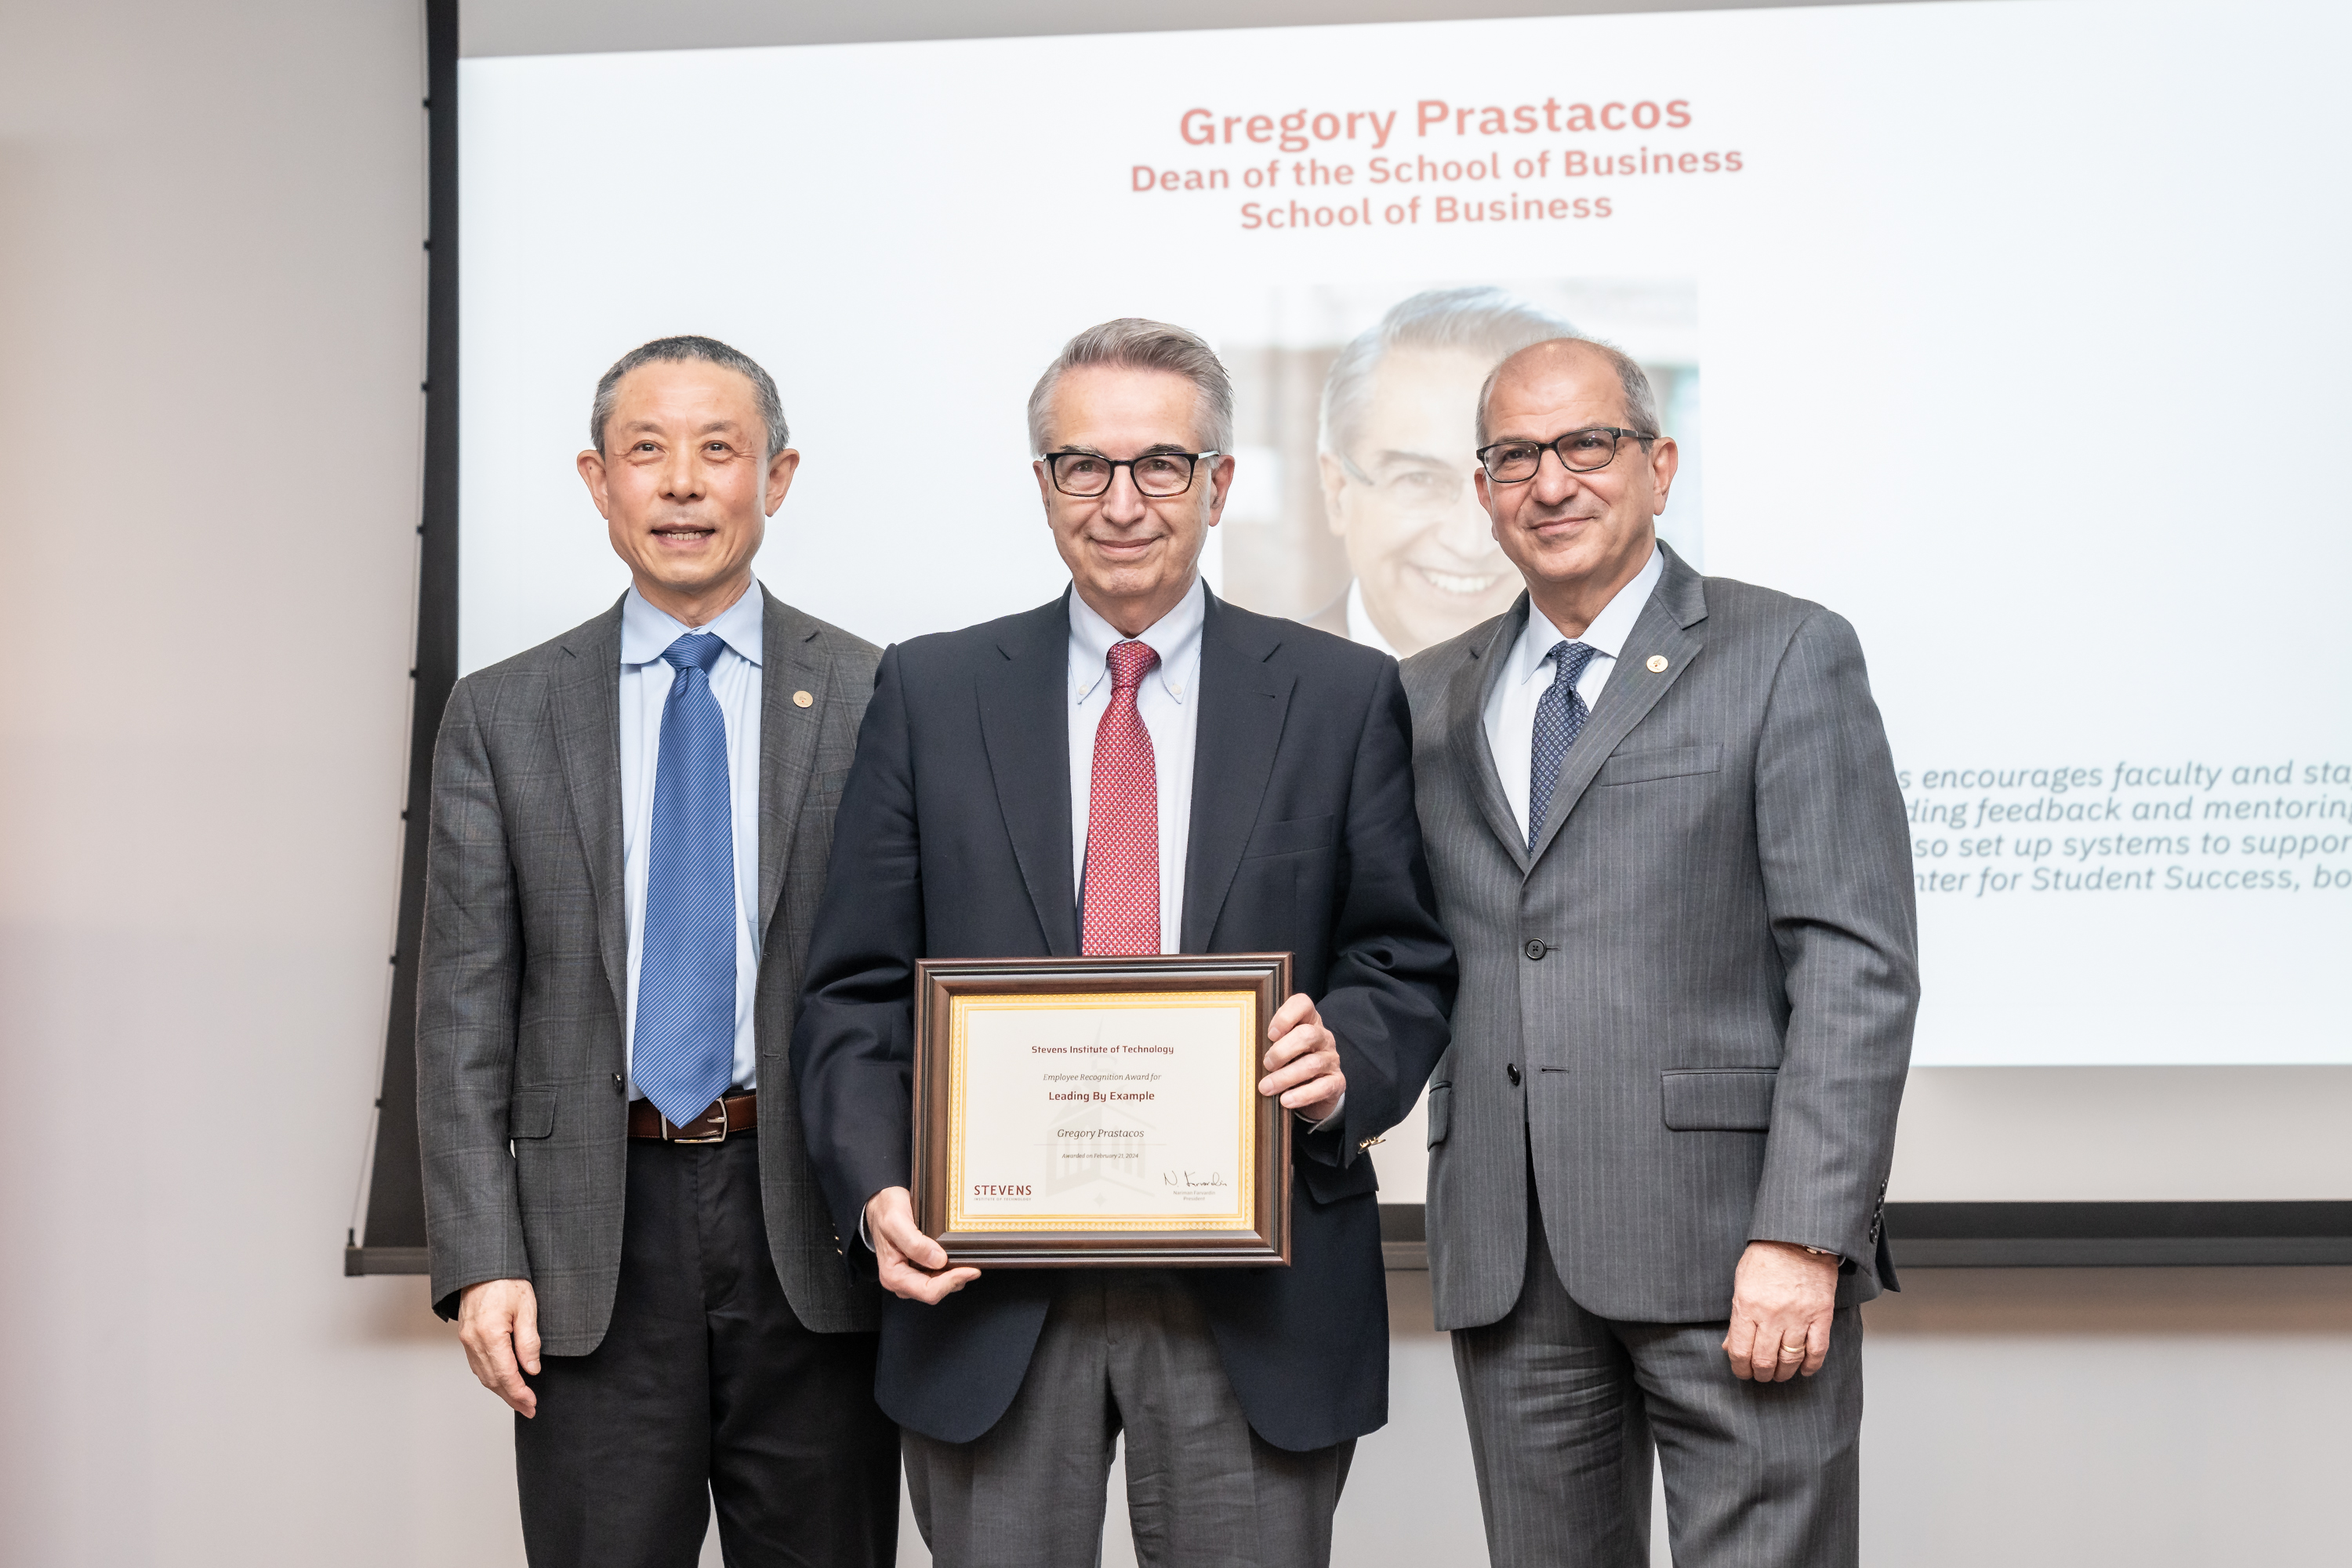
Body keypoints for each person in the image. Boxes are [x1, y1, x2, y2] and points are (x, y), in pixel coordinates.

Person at [792, 318, 1456, 1568]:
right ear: (1041, 487)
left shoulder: (1339, 692)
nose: (1121, 502)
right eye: (1082, 468)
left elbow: (1401, 961)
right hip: (986, 1291)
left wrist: (1344, 1063)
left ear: (1219, 484)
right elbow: (858, 987)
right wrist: (880, 1181)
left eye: (1160, 465)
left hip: (1256, 1296)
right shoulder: (932, 693)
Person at [1399, 337, 1916, 1567]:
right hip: (1511, 1267)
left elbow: (1857, 965)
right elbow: (1406, 959)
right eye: (1514, 455)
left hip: (1735, 1255)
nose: (1552, 482)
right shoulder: (1425, 696)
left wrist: (1804, 1234)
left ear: (1658, 464)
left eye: (1587, 445)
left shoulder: (1785, 651)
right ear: (1483, 489)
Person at [416, 336, 898, 1566]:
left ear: (777, 479)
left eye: (719, 450)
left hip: (814, 1233)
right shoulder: (503, 711)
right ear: (597, 481)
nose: (682, 483)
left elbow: (912, 988)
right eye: (646, 450)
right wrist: (481, 1260)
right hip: (591, 1238)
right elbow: (466, 1011)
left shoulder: (875, 694)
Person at [1312, 287, 1576, 656]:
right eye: (1419, 479)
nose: (1470, 544)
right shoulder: (1253, 695)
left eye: (1514, 466)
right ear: (1337, 490)